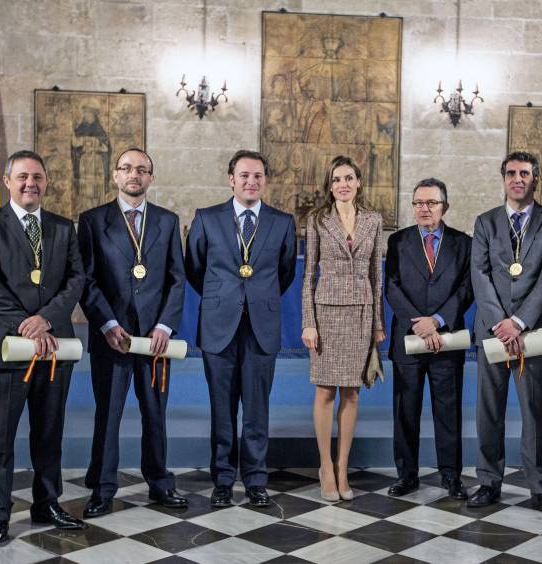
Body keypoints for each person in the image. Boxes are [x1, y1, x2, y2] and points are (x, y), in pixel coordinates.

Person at [0, 150, 87, 547]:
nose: (30, 183)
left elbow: (76, 278)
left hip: (52, 344)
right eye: (22, 176)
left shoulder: (61, 227)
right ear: (7, 181)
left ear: (46, 182)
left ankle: (47, 502)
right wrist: (26, 323)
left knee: (49, 433)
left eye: (37, 176)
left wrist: (46, 320)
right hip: (3, 346)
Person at [77, 148, 187, 518]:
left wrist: (164, 325)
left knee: (155, 413)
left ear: (151, 178)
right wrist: (107, 324)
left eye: (142, 169)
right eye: (126, 168)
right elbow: (87, 281)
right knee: (108, 413)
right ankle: (103, 488)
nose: (134, 174)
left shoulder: (168, 221)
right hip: (113, 336)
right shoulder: (92, 221)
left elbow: (176, 279)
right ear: (115, 175)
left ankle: (160, 483)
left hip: (154, 340)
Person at [185, 149, 297, 507]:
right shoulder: (207, 218)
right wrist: (227, 298)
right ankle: (221, 479)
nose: (252, 181)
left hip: (261, 325)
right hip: (219, 323)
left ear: (266, 180)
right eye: (244, 175)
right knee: (221, 407)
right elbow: (195, 269)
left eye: (258, 176)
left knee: (257, 408)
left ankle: (255, 479)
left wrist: (255, 298)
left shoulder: (282, 222)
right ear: (231, 178)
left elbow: (285, 274)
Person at [469, 151, 542, 514]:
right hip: (493, 331)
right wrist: (500, 322)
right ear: (503, 178)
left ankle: (540, 488)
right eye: (511, 173)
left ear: (535, 178)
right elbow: (479, 274)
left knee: (533, 411)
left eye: (525, 173)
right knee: (488, 410)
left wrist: (520, 322)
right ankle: (488, 482)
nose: (517, 179)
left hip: (534, 331)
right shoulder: (485, 223)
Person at [300, 156, 385, 501]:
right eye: (337, 179)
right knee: (325, 392)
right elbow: (307, 276)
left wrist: (378, 323)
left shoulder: (374, 220)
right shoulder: (318, 220)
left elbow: (376, 276)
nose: (343, 184)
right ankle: (324, 465)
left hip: (361, 314)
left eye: (349, 177)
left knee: (351, 392)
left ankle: (342, 467)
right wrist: (308, 321)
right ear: (330, 185)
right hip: (327, 313)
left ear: (359, 182)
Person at [384, 178, 473, 500]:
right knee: (405, 411)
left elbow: (466, 289)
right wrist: (418, 324)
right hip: (408, 340)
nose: (424, 208)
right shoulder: (398, 241)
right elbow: (391, 286)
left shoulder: (464, 243)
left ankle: (451, 477)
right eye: (419, 203)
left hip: (445, 340)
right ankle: (406, 476)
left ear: (444, 207)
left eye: (431, 203)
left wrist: (436, 321)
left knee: (448, 413)